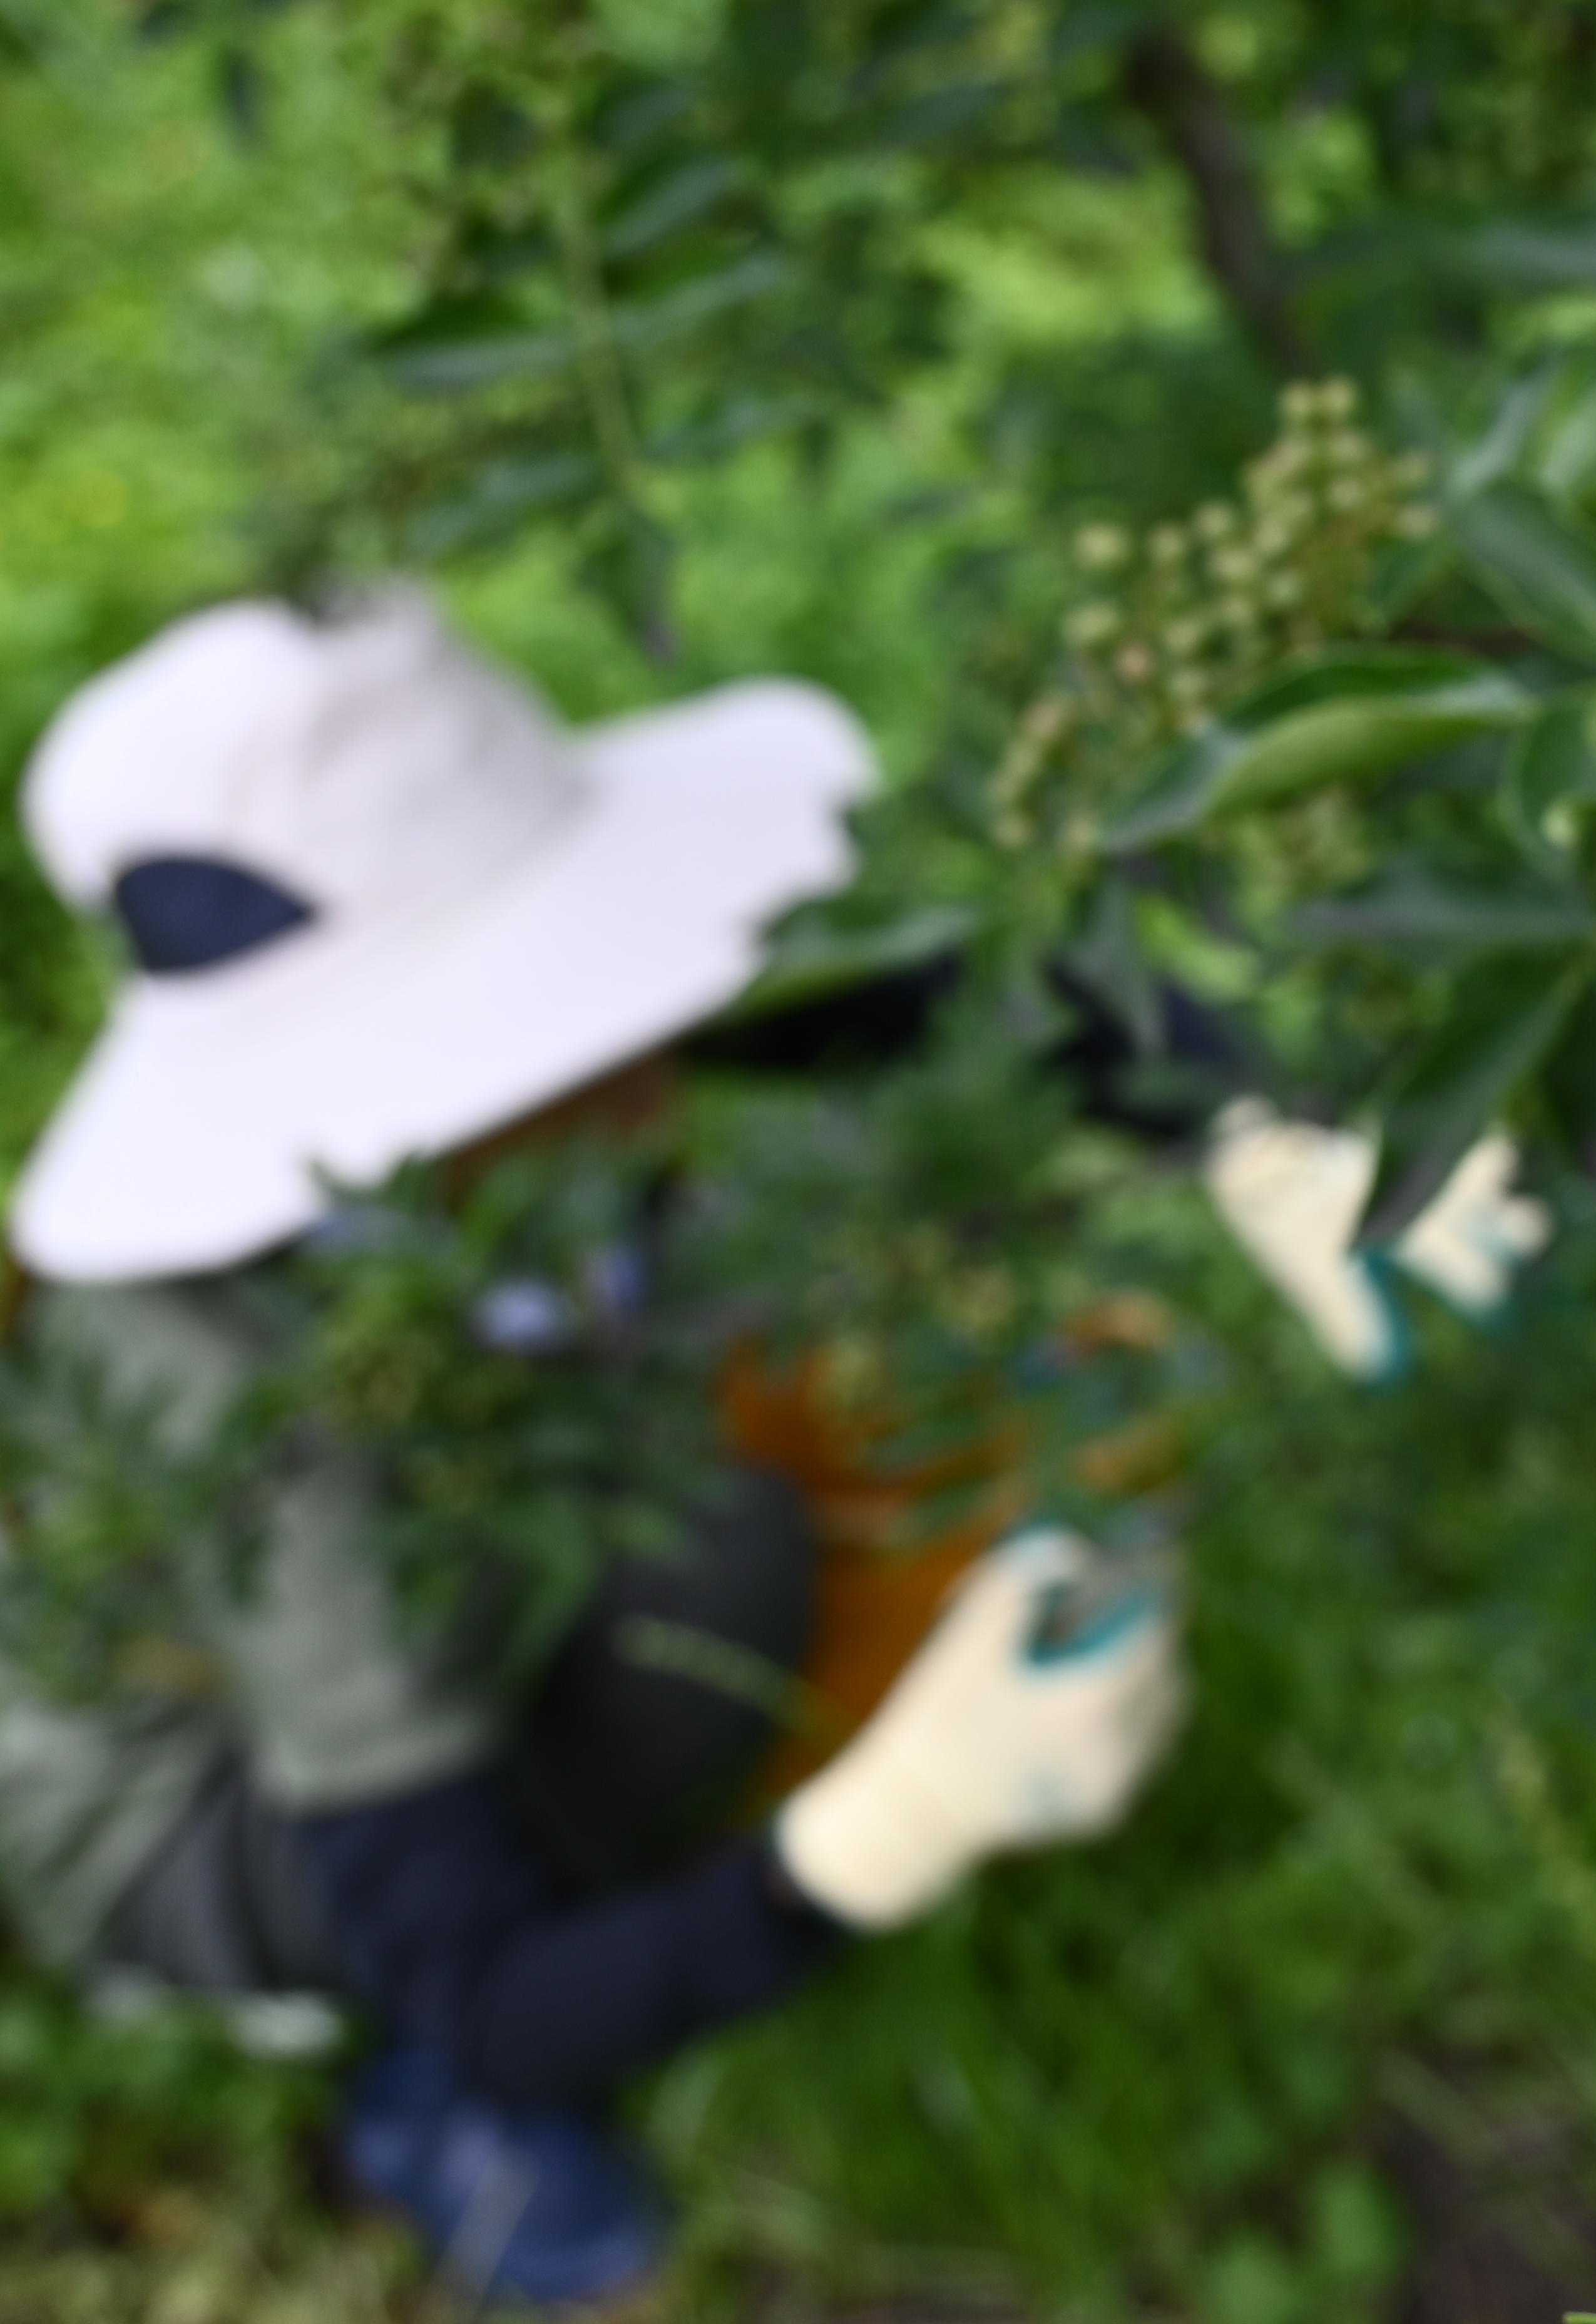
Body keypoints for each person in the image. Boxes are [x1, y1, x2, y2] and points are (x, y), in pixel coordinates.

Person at [0, 595, 1185, 2307]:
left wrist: (1256, 1128)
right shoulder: (264, 1421)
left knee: (752, 1304)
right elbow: (492, 1979)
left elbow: (922, 1002)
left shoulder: (488, 1131)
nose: (652, 1050)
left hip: (414, 1513)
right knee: (716, 1570)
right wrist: (886, 1831)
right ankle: (430, 2105)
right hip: (180, 1813)